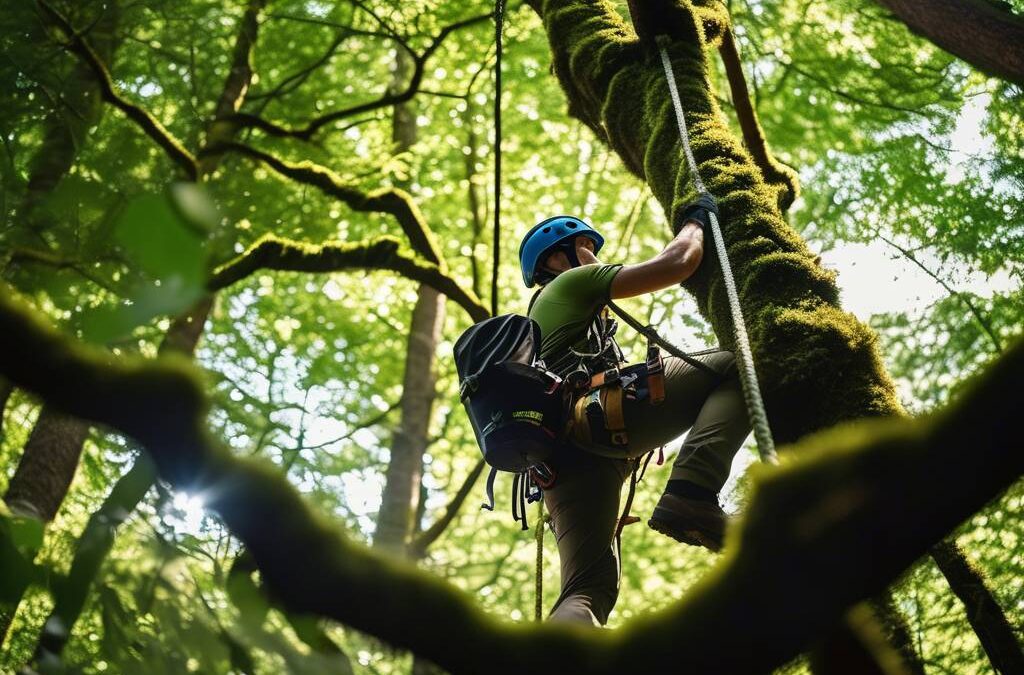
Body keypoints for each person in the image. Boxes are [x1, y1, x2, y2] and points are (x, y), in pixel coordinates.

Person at [519, 195, 751, 626]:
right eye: (586, 246)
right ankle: (693, 492)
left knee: (588, 590)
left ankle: (551, 660)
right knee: (743, 362)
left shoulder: (544, 325)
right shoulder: (571, 283)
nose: (594, 256)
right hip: (598, 423)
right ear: (557, 257)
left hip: (559, 467)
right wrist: (695, 221)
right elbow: (679, 263)